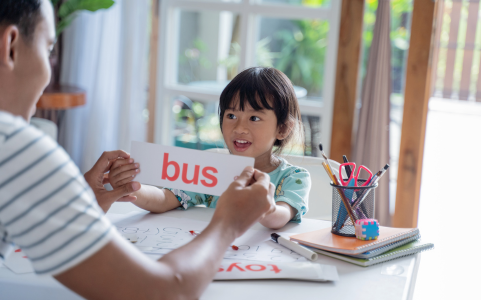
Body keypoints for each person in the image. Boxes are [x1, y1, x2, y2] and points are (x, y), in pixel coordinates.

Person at [0, 1, 275, 299]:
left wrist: (79, 203)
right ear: (11, 46)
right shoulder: (15, 147)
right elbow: (163, 293)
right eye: (49, 49)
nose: (49, 73)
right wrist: (228, 224)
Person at [109, 67, 312, 230]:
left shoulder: (294, 178)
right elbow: (165, 198)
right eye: (231, 116)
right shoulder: (212, 170)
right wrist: (135, 188)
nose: (239, 128)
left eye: (254, 118)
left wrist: (266, 209)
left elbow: (281, 217)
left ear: (283, 128)